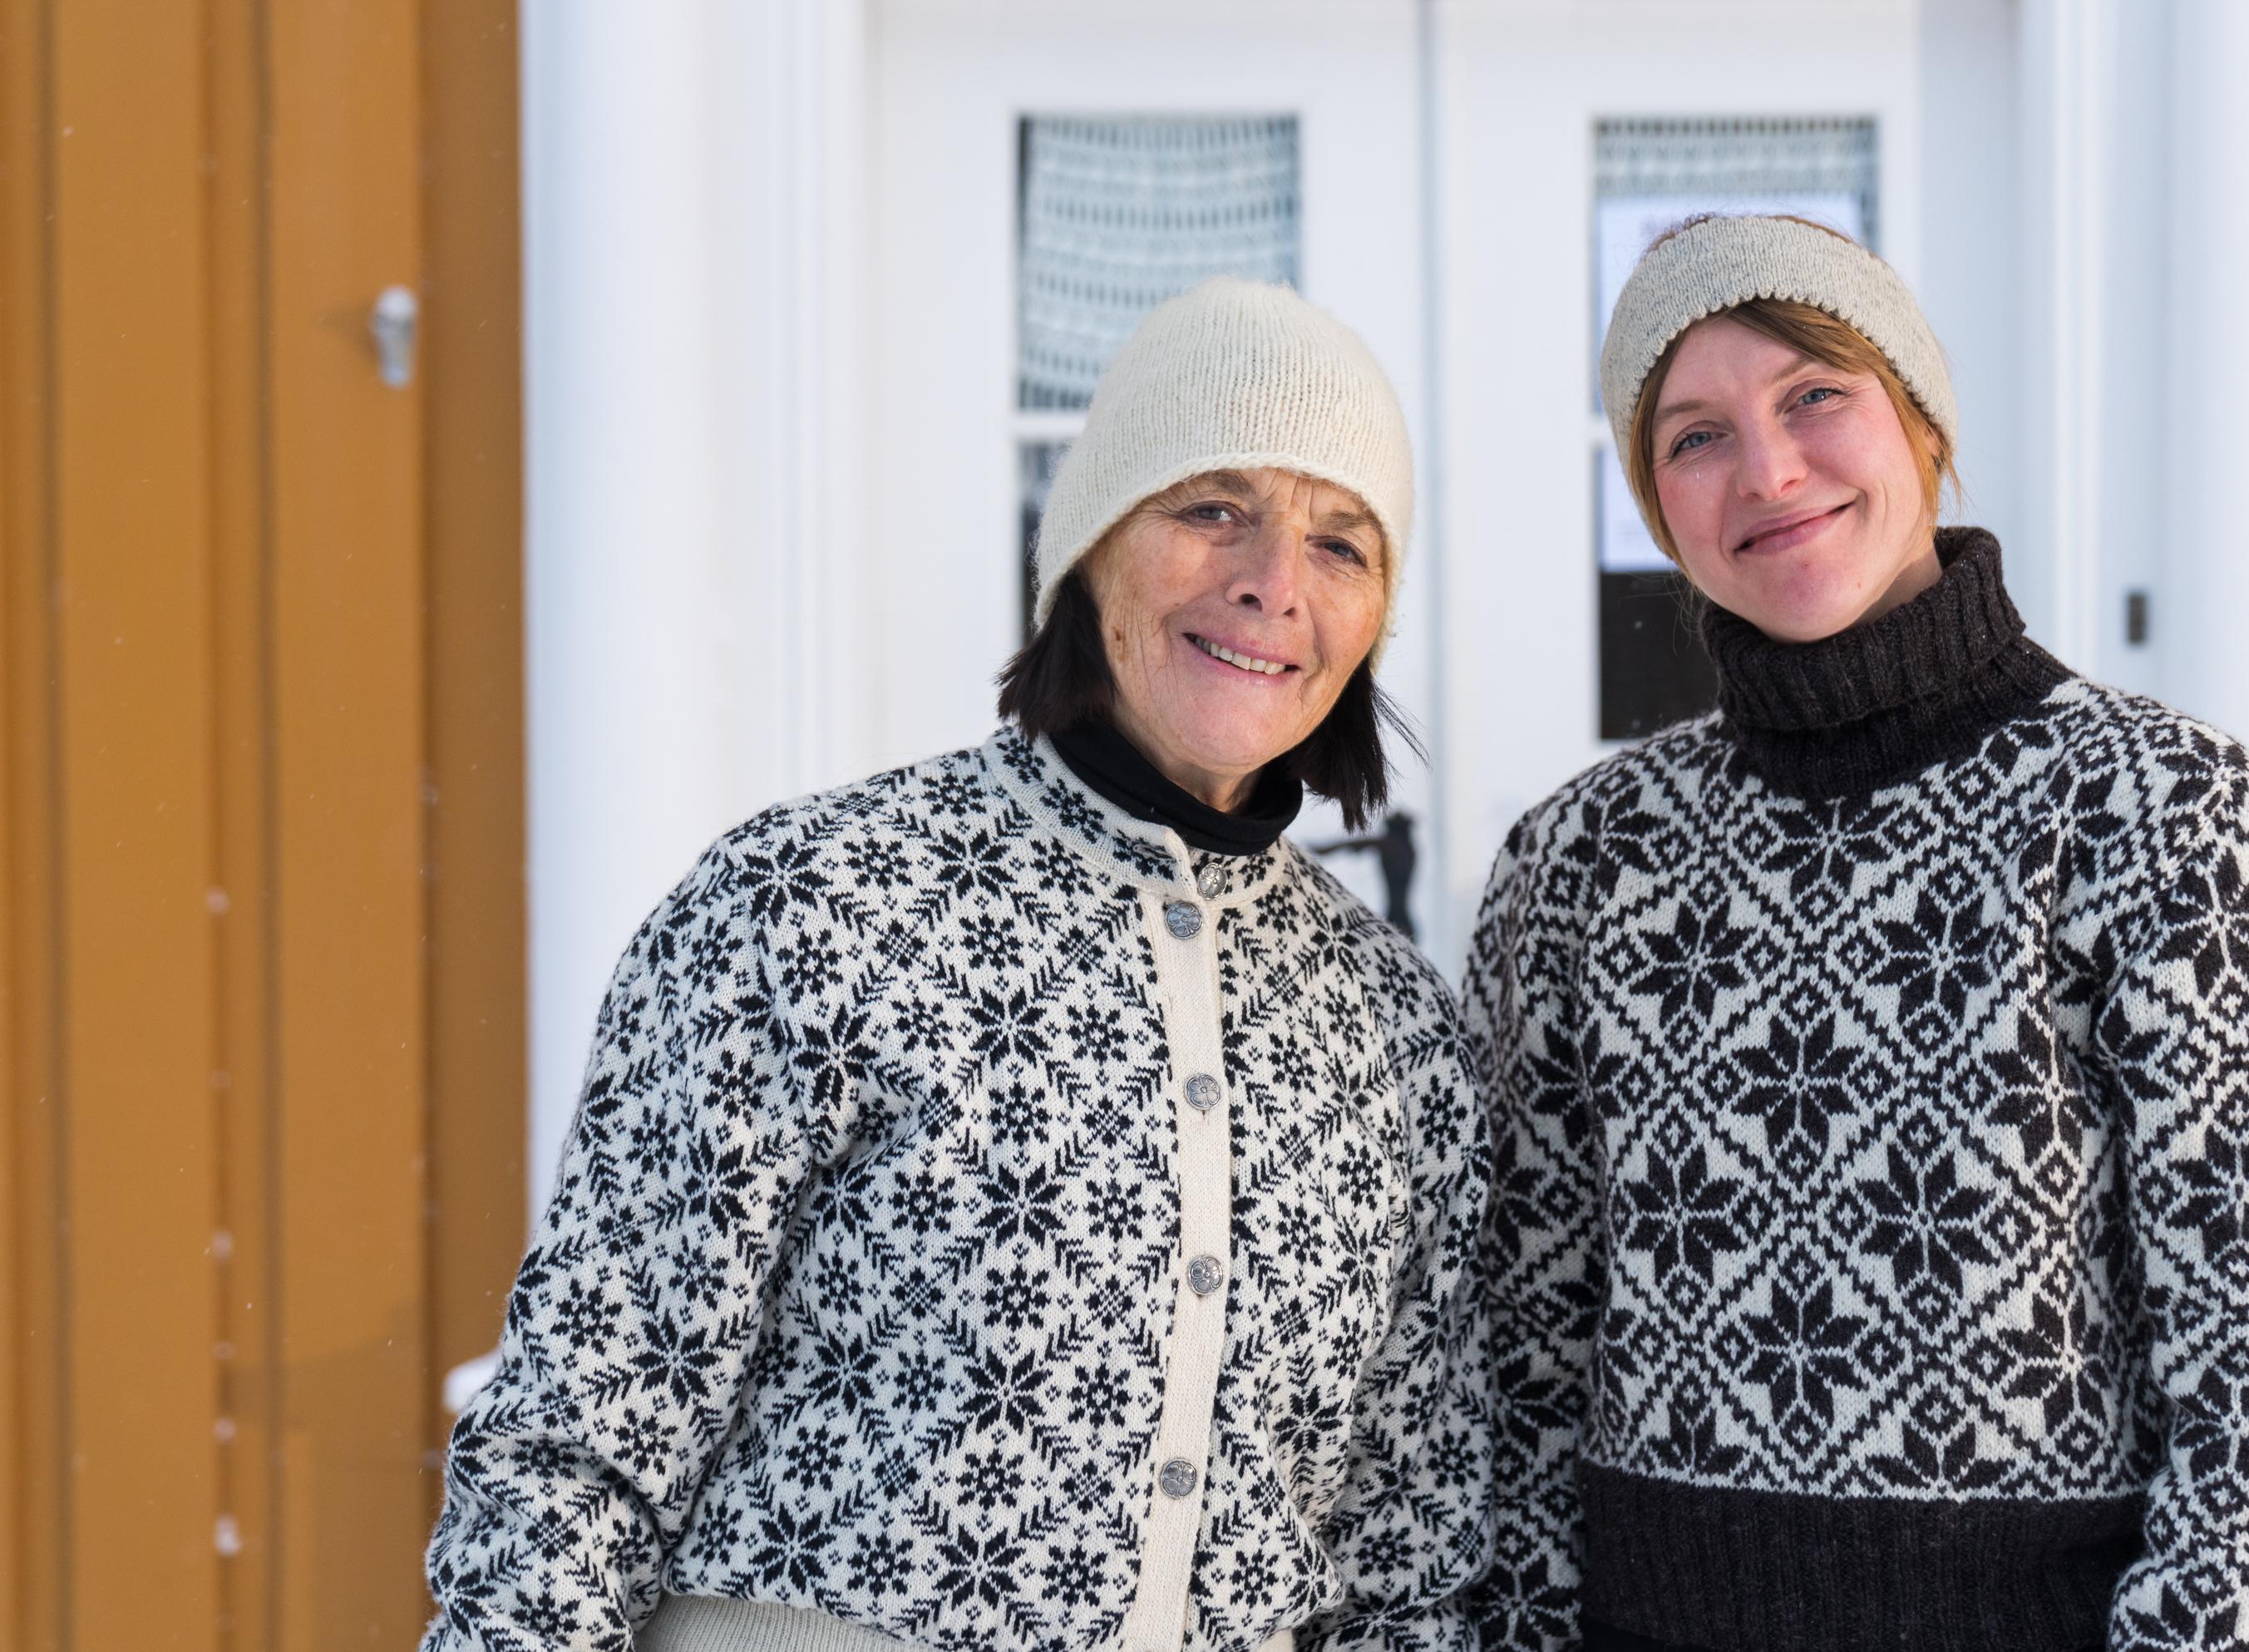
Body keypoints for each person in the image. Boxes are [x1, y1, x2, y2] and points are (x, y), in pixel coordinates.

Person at [424, 278, 1491, 1652]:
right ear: (1089, 549)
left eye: (1342, 545)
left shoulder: (1395, 1032)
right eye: (1211, 505)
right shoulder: (813, 906)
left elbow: (1415, 1554)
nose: (1271, 581)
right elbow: (577, 1442)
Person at [1468, 215, 2249, 1652]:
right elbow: (1520, 1359)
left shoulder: (2163, 817)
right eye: (1693, 436)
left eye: (1813, 394)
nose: (1767, 471)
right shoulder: (1583, 861)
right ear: (1655, 506)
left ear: (1921, 417)